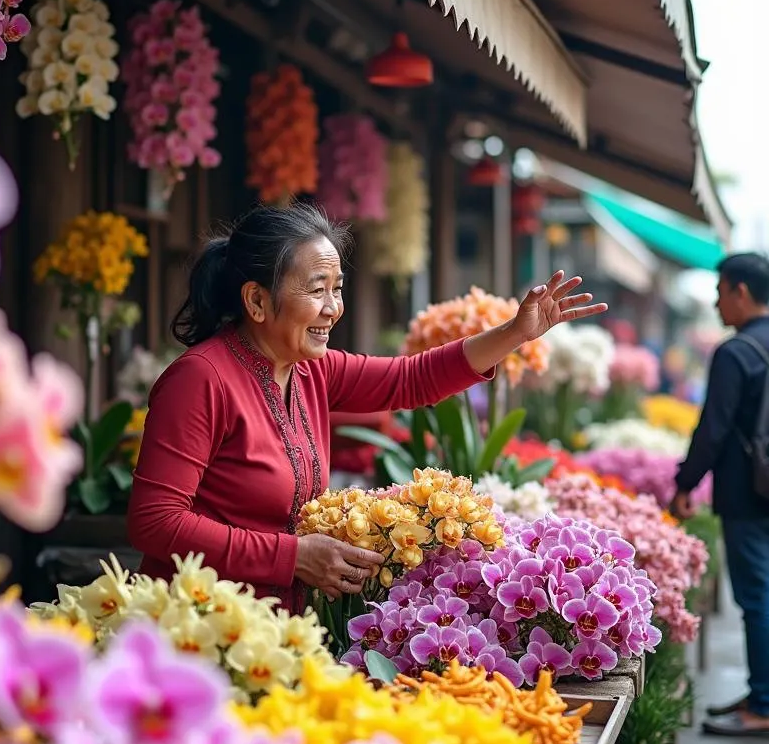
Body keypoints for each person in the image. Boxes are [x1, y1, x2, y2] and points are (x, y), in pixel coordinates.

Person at [128, 202, 606, 612]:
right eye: (317, 289)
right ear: (256, 300)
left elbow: (411, 378)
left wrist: (514, 334)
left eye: (337, 288)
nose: (334, 307)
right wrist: (291, 556)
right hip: (196, 626)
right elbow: (156, 522)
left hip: (273, 632)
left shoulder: (310, 369)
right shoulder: (200, 379)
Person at [672, 252, 769, 736]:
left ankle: (764, 706)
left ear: (742, 293)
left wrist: (685, 483)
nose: (716, 302)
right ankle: (760, 694)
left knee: (757, 596)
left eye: (721, 291)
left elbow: (713, 430)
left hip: (748, 493)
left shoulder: (736, 353)